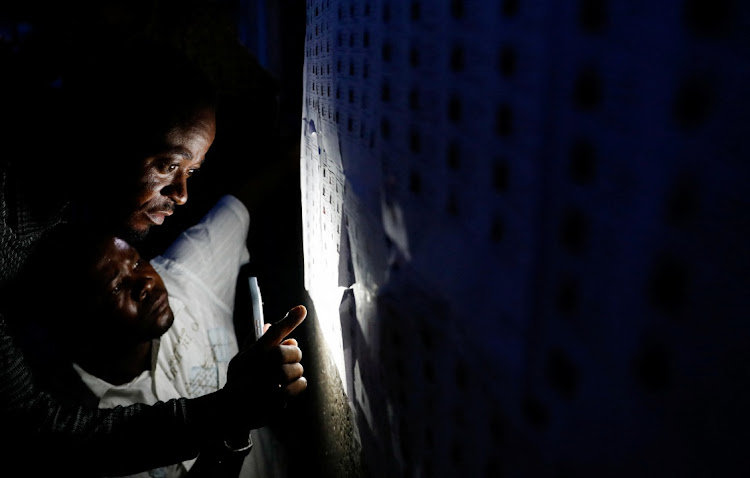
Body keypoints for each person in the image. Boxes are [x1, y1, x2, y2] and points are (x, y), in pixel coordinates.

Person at [0, 35, 305, 476]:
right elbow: (33, 433)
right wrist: (228, 414)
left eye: (192, 171)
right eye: (166, 165)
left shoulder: (55, 206)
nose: (181, 194)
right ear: (105, 140)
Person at [13, 194, 294, 477]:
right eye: (116, 288)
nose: (145, 281)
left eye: (136, 262)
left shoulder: (183, 280)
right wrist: (237, 417)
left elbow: (238, 206)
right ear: (79, 329)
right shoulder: (82, 435)